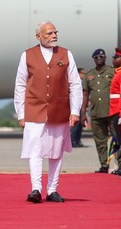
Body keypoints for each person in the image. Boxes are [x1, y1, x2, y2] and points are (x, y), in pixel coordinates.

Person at [14, 21, 83, 203]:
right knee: (35, 149)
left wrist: (75, 110)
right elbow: (20, 85)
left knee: (55, 151)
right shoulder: (27, 55)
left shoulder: (66, 54)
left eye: (55, 32)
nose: (54, 36)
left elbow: (75, 84)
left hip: (59, 109)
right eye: (49, 33)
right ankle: (36, 188)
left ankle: (52, 189)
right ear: (39, 36)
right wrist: (21, 113)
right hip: (34, 108)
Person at [83, 49, 116, 172]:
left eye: (101, 56)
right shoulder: (89, 75)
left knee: (116, 139)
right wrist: (83, 114)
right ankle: (104, 164)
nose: (99, 58)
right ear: (93, 59)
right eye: (96, 57)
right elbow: (85, 95)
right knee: (100, 141)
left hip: (111, 111)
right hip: (96, 112)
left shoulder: (112, 71)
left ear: (105, 58)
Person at [70, 68, 87, 147]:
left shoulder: (82, 82)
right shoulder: (74, 83)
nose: (84, 75)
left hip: (81, 106)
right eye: (82, 73)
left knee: (80, 125)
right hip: (75, 106)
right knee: (75, 125)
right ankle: (73, 141)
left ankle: (77, 140)